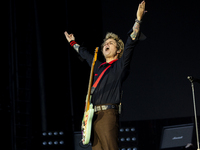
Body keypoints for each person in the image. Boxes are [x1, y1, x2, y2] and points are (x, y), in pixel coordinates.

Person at [64, 1, 146, 149]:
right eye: (105, 43)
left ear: (118, 50)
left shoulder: (120, 66)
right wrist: (73, 43)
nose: (106, 44)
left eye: (110, 43)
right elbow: (86, 55)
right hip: (93, 117)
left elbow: (131, 42)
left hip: (108, 116)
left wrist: (138, 19)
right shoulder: (98, 66)